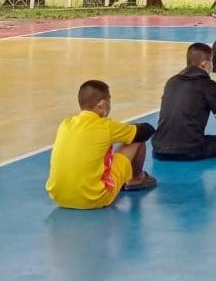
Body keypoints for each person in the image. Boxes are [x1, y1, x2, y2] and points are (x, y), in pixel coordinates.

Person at [45, 80, 158, 209]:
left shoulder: (65, 124)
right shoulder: (105, 126)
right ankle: (136, 179)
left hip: (59, 198)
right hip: (94, 198)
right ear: (102, 104)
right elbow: (145, 131)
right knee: (136, 140)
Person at [153, 43, 216, 161]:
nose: (212, 64)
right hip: (190, 149)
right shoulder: (208, 85)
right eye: (211, 61)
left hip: (159, 148)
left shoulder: (171, 82)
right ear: (204, 64)